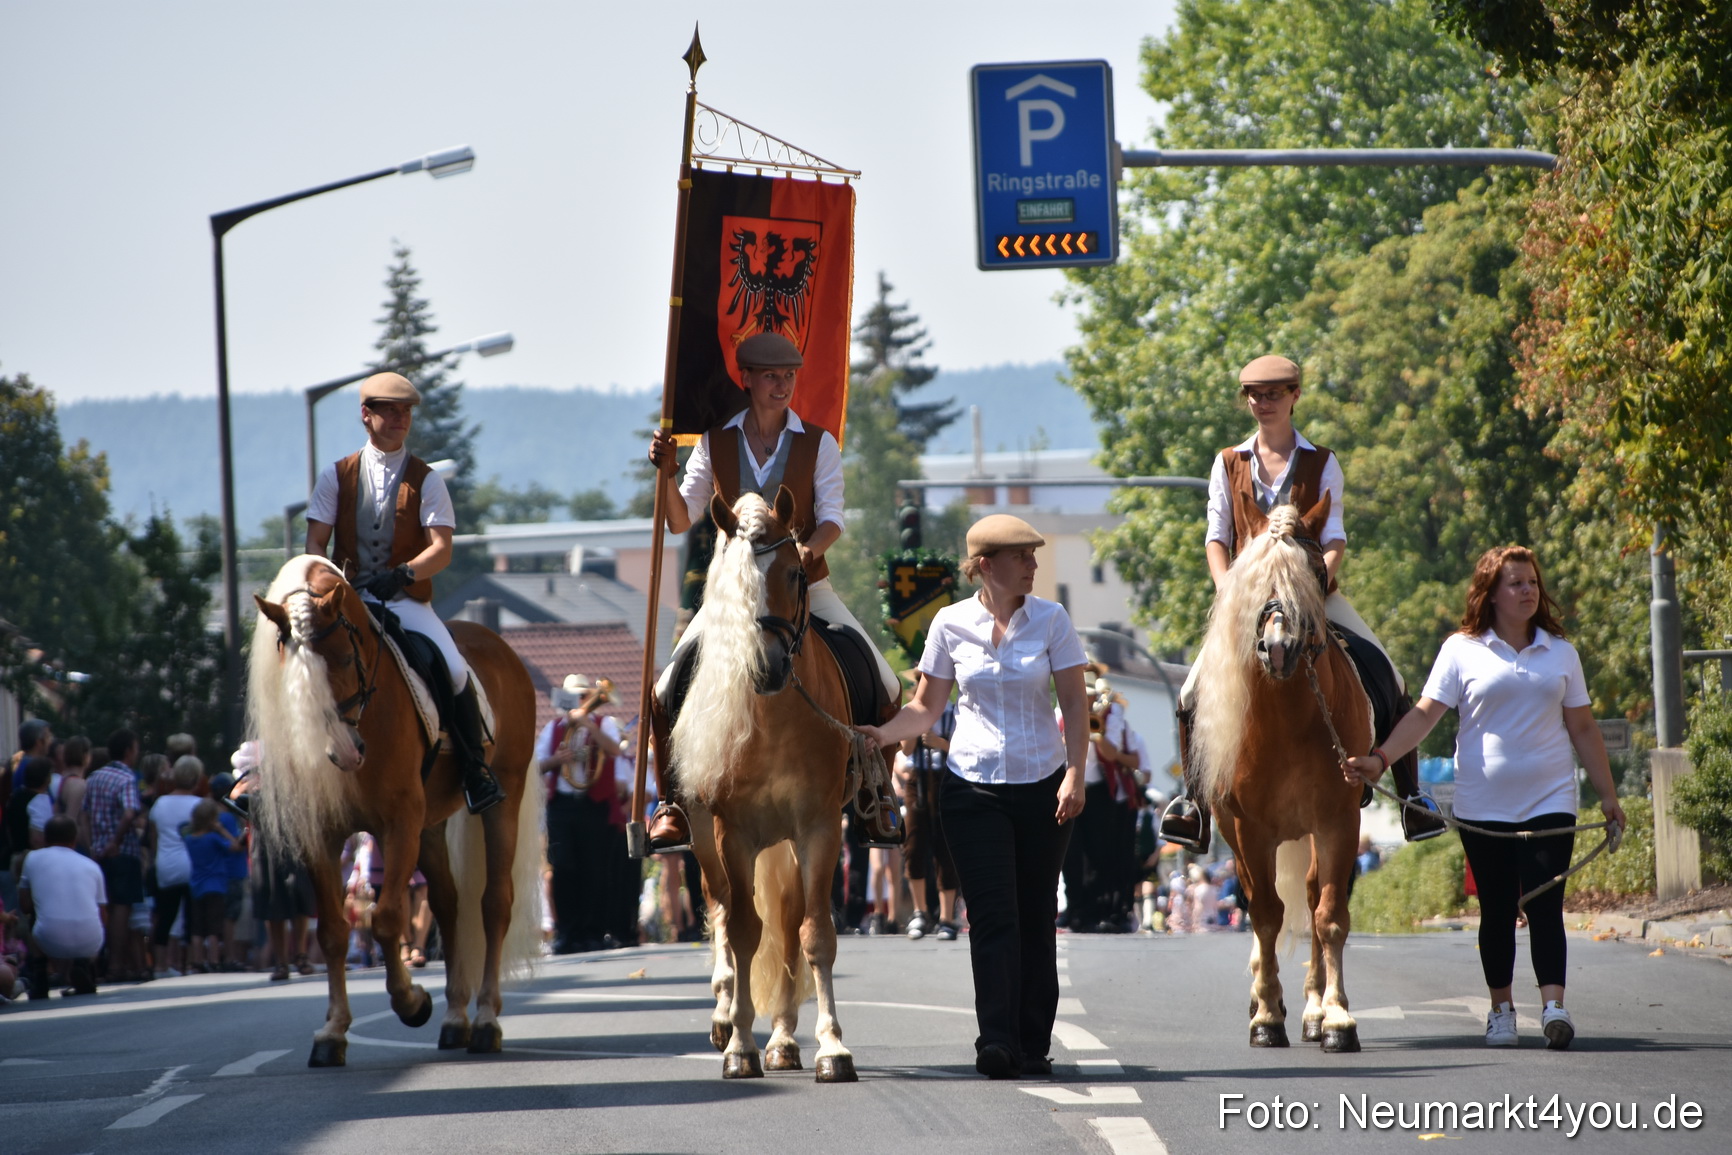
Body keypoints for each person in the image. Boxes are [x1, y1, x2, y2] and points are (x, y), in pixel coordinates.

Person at [1345, 545, 1627, 1051]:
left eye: (1532, 583)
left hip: (1551, 798)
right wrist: (1381, 758)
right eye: (1516, 583)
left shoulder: (1561, 653)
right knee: (1496, 909)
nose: (1527, 591)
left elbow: (1582, 727)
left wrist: (1607, 797)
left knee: (1545, 904)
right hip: (1483, 804)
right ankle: (1501, 1010)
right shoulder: (1462, 649)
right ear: (1492, 594)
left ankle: (1554, 1007)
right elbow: (1426, 714)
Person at [1162, 355, 1445, 852]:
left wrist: (1314, 586)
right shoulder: (1229, 461)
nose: (1261, 403)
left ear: (1295, 395)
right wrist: (1226, 587)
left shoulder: (1322, 461)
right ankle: (1193, 805)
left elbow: (1334, 539)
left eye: (1272, 394)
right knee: (1190, 693)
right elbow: (1216, 536)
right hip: (1247, 604)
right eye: (1252, 394)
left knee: (1390, 677)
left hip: (1313, 598)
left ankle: (1412, 799)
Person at [645, 331, 901, 850]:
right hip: (731, 599)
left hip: (803, 587)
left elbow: (832, 519)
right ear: (747, 379)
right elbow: (678, 522)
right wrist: (666, 476)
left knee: (887, 683)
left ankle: (877, 795)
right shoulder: (715, 442)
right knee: (664, 688)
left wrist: (807, 552)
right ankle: (672, 803)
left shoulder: (818, 442)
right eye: (770, 377)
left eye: (788, 377)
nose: (781, 386)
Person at [857, 514, 1088, 1079]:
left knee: (1035, 915)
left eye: (1034, 556)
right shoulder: (949, 623)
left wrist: (1076, 773)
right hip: (973, 789)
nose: (1034, 565)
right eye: (1022, 557)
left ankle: (1033, 1042)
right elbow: (927, 708)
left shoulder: (1053, 620)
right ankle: (997, 1041)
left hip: (1043, 787)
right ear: (987, 565)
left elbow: (1076, 705)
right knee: (990, 917)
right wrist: (884, 734)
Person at [229, 371, 503, 817]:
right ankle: (269, 771)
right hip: (344, 601)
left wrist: (404, 574)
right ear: (366, 415)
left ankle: (475, 769)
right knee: (297, 664)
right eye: (390, 411)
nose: (400, 419)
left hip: (403, 600)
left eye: (406, 412)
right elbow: (315, 542)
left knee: (453, 669)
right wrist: (334, 584)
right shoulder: (336, 476)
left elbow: (442, 548)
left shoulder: (427, 480)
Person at [534, 674, 624, 953]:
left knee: (594, 869)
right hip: (561, 805)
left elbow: (614, 750)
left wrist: (589, 727)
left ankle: (593, 932)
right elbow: (536, 766)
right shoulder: (553, 728)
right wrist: (556, 760)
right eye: (575, 697)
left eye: (584, 696)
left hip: (593, 804)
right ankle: (567, 932)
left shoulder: (603, 723)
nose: (581, 702)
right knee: (563, 868)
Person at [82, 729, 147, 982]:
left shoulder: (95, 777)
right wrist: (115, 841)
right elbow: (131, 813)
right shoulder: (126, 778)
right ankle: (116, 965)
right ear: (129, 750)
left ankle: (104, 961)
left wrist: (92, 846)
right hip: (123, 852)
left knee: (103, 906)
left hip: (98, 853)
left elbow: (84, 816)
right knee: (122, 908)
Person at [17, 816, 106, 999]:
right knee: (89, 914)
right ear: (75, 839)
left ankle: (40, 977)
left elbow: (25, 905)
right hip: (91, 940)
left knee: (33, 915)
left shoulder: (32, 858)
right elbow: (103, 913)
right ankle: (84, 966)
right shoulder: (92, 865)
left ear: (45, 839)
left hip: (49, 938)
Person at [900, 700, 961, 942]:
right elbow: (905, 750)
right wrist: (915, 726)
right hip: (917, 781)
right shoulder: (912, 710)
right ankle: (920, 912)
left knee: (945, 848)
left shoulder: (955, 711)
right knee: (913, 845)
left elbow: (966, 748)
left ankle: (946, 918)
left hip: (945, 778)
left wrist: (940, 744)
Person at [146, 756, 202, 977]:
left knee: (165, 915)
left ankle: (159, 964)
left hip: (166, 864)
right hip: (192, 865)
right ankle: (185, 964)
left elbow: (153, 839)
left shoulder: (160, 804)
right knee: (190, 917)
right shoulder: (199, 805)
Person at [182, 799, 241, 972]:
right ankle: (214, 960)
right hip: (215, 886)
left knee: (197, 928)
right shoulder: (214, 838)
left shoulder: (189, 839)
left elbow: (183, 830)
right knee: (214, 927)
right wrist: (222, 830)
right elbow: (236, 846)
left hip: (196, 886)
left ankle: (197, 961)